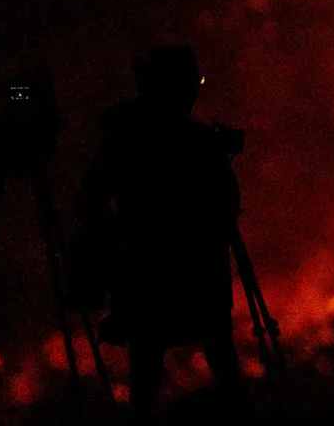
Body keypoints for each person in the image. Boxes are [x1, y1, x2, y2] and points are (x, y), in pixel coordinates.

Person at [74, 47, 244, 417]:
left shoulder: (124, 141)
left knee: (148, 368)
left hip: (148, 280)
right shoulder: (195, 143)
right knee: (214, 355)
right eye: (191, 83)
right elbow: (228, 207)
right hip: (187, 277)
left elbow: (89, 201)